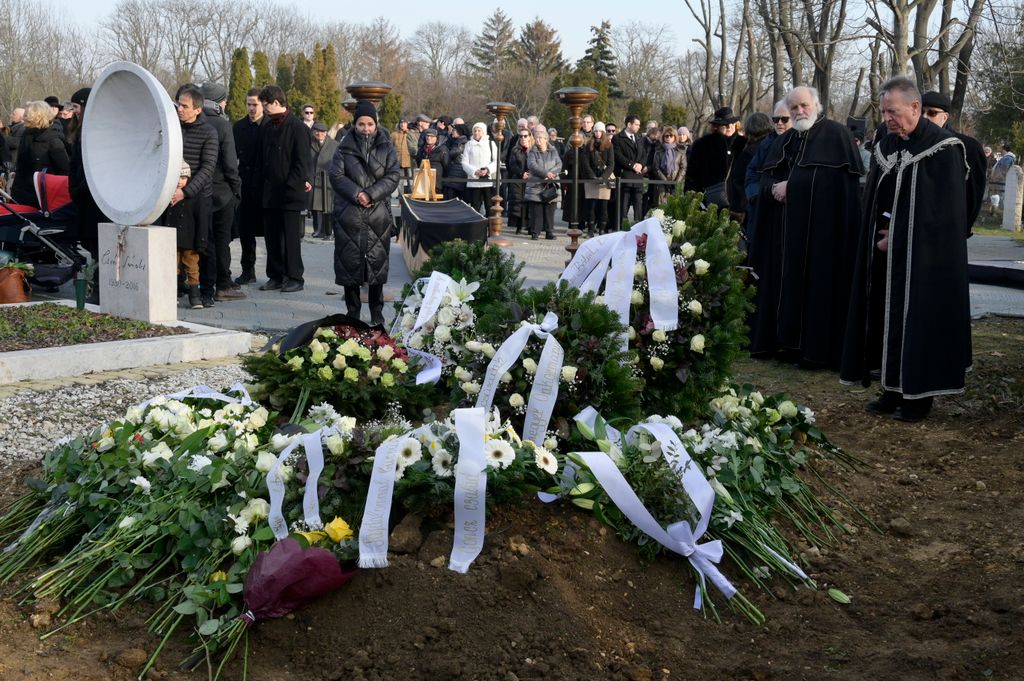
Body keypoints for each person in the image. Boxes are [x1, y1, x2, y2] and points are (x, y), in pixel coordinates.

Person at [841, 76, 972, 423]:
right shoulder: (887, 145)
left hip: (926, 261)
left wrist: (898, 236)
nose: (887, 118)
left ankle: (919, 396)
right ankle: (892, 388)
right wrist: (880, 232)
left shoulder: (944, 148)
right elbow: (881, 200)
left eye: (893, 112)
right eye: (884, 112)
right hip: (889, 255)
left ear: (915, 108)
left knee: (918, 322)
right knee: (886, 318)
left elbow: (943, 215)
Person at [747, 85, 862, 369]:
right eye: (794, 107)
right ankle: (784, 343)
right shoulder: (783, 140)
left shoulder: (837, 136)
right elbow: (763, 178)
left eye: (804, 106)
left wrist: (793, 188)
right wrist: (772, 189)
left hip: (821, 237)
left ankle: (815, 350)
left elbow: (837, 187)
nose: (799, 112)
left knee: (817, 288)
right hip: (784, 237)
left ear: (817, 105)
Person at [329, 99, 400, 326]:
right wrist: (358, 193)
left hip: (377, 213)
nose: (366, 128)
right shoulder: (343, 147)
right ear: (355, 124)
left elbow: (392, 176)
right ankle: (352, 312)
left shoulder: (387, 147)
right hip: (349, 214)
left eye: (370, 124)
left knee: (376, 265)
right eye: (361, 124)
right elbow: (336, 176)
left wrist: (370, 194)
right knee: (350, 264)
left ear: (376, 124)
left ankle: (377, 313)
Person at [256, 84, 312, 293]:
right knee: (271, 238)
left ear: (277, 103)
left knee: (290, 239)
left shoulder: (298, 128)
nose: (264, 108)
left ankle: (295, 277)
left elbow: (302, 162)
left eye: (266, 104)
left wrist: (291, 186)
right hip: (269, 193)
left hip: (290, 194)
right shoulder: (267, 127)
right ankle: (276, 275)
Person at [171, 84, 219, 307]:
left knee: (201, 246)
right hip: (172, 197)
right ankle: (177, 287)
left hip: (198, 198)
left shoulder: (209, 132)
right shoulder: (174, 128)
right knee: (175, 246)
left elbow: (208, 168)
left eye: (184, 106)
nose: (179, 109)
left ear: (197, 109)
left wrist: (185, 191)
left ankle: (205, 291)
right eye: (179, 104)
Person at [199, 82, 244, 303]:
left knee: (204, 240)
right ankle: (223, 284)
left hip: (199, 191)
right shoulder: (223, 125)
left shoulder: (194, 121)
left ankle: (203, 283)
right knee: (222, 239)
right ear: (219, 102)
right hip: (222, 191)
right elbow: (230, 163)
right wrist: (236, 188)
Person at [921, 91, 986, 235]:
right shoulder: (911, 144)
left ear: (945, 117)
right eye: (921, 112)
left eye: (931, 113)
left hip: (950, 228)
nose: (924, 117)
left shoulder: (968, 146)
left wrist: (963, 227)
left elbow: (973, 192)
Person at [744, 101, 791, 248]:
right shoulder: (767, 143)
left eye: (784, 119)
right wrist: (757, 195)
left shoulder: (802, 142)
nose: (779, 123)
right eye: (776, 119)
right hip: (763, 210)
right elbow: (751, 172)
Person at [232, 87, 264, 285]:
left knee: (271, 231)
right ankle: (247, 269)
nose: (252, 108)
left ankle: (276, 272)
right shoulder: (239, 127)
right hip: (244, 183)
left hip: (264, 184)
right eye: (249, 104)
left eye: (255, 104)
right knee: (246, 231)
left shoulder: (268, 125)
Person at [10, 101, 70, 207]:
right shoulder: (26, 136)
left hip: (42, 198)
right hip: (21, 196)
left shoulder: (54, 141)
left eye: (27, 115)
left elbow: (64, 171)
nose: (24, 118)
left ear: (37, 116)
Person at [162, 161, 204, 309]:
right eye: (178, 178)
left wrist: (201, 240)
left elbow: (201, 220)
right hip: (172, 240)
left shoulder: (194, 198)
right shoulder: (167, 196)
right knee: (172, 268)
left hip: (190, 240)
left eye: (184, 178)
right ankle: (171, 294)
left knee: (192, 267)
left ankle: (195, 296)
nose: (180, 182)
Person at [684, 106, 741, 208]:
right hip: (709, 202)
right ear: (717, 126)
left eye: (732, 123)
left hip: (736, 203)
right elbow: (692, 175)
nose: (729, 127)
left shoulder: (743, 144)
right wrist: (695, 199)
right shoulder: (702, 145)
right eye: (725, 124)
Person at [525, 126, 562, 241]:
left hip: (551, 184)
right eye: (537, 138)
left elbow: (559, 164)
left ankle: (549, 231)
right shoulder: (532, 151)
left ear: (546, 139)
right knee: (537, 210)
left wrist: (552, 174)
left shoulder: (553, 150)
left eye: (541, 138)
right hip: (536, 185)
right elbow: (532, 165)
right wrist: (546, 173)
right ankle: (535, 232)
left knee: (550, 209)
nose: (538, 140)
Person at [581, 121, 614, 235]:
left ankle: (601, 229)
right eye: (595, 131)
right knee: (591, 206)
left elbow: (611, 164)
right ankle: (590, 229)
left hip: (604, 179)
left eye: (600, 131)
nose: (598, 133)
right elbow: (585, 163)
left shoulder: (609, 145)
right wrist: (592, 176)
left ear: (603, 132)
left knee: (603, 206)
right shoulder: (588, 145)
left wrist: (603, 177)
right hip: (591, 178)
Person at [612, 115, 646, 225]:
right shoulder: (617, 138)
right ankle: (622, 226)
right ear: (629, 124)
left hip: (638, 176)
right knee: (623, 203)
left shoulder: (640, 138)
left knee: (638, 203)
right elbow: (618, 155)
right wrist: (632, 165)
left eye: (639, 125)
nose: (638, 127)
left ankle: (638, 226)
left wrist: (640, 164)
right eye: (636, 124)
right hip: (625, 175)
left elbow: (644, 154)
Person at [461, 122, 497, 215]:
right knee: (474, 206)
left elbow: (496, 161)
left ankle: (490, 227)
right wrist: (474, 171)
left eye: (479, 130)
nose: (476, 133)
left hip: (487, 180)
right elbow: (464, 162)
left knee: (489, 206)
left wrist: (487, 170)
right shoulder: (468, 144)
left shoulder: (491, 143)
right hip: (474, 181)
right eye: (475, 131)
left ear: (483, 132)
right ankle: (475, 228)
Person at [310, 121, 339, 239]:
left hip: (328, 180)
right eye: (317, 131)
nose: (319, 134)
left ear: (326, 133)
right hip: (314, 179)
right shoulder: (309, 144)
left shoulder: (334, 145)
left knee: (329, 207)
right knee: (315, 208)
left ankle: (328, 231)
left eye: (322, 132)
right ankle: (318, 230)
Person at [651, 126, 687, 206]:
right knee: (661, 208)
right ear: (663, 137)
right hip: (661, 183)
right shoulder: (659, 151)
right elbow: (655, 168)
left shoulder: (680, 151)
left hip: (676, 183)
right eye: (666, 136)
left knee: (674, 207)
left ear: (675, 137)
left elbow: (683, 167)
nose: (668, 138)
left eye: (671, 136)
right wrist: (665, 181)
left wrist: (677, 181)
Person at [506, 130, 533, 235]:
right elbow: (512, 164)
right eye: (521, 136)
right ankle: (519, 226)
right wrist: (521, 173)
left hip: (531, 179)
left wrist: (531, 173)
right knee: (518, 202)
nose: (523, 138)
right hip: (518, 179)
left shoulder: (533, 149)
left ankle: (530, 226)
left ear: (530, 137)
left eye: (525, 136)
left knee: (530, 202)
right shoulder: (515, 150)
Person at [415, 128, 448, 197]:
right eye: (427, 136)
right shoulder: (421, 150)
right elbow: (418, 163)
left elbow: (446, 166)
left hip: (436, 183)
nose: (429, 138)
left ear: (436, 138)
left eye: (432, 136)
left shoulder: (442, 150)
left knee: (435, 205)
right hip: (422, 183)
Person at [445, 122, 469, 201]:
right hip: (455, 173)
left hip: (458, 174)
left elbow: (452, 153)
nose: (452, 131)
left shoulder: (461, 143)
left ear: (460, 131)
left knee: (452, 199)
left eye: (454, 130)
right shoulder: (457, 141)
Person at [391, 120, 412, 193]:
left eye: (405, 123)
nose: (403, 125)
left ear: (407, 124)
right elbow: (390, 147)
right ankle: (401, 197)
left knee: (411, 180)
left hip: (410, 161)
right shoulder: (394, 135)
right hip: (398, 161)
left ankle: (412, 196)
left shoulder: (410, 133)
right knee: (400, 181)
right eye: (401, 123)